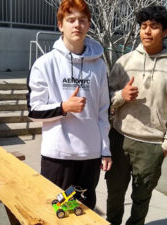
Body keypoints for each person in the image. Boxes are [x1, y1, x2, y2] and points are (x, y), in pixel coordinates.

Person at [106, 5, 167, 225]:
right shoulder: (125, 61)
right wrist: (121, 96)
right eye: (143, 26)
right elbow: (105, 99)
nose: (147, 31)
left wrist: (166, 145)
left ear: (165, 31)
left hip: (151, 145)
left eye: (154, 26)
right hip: (119, 138)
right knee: (114, 194)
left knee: (141, 198)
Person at [27, 0, 112, 209]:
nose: (77, 25)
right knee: (54, 210)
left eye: (82, 20)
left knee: (84, 211)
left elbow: (103, 111)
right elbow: (33, 111)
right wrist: (64, 107)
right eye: (70, 20)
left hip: (89, 155)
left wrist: (105, 149)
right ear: (60, 25)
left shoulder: (99, 66)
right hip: (58, 155)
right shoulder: (44, 64)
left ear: (89, 25)